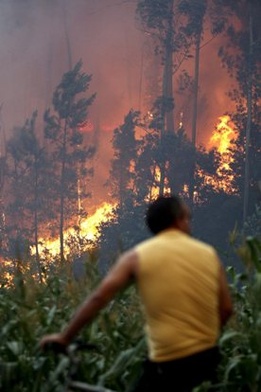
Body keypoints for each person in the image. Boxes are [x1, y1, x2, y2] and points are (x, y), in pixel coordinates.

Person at [40, 195, 233, 391]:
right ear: (179, 219)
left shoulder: (137, 257)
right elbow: (226, 308)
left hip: (167, 363)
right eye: (187, 217)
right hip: (209, 359)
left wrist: (65, 337)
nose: (189, 223)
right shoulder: (209, 254)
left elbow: (99, 297)